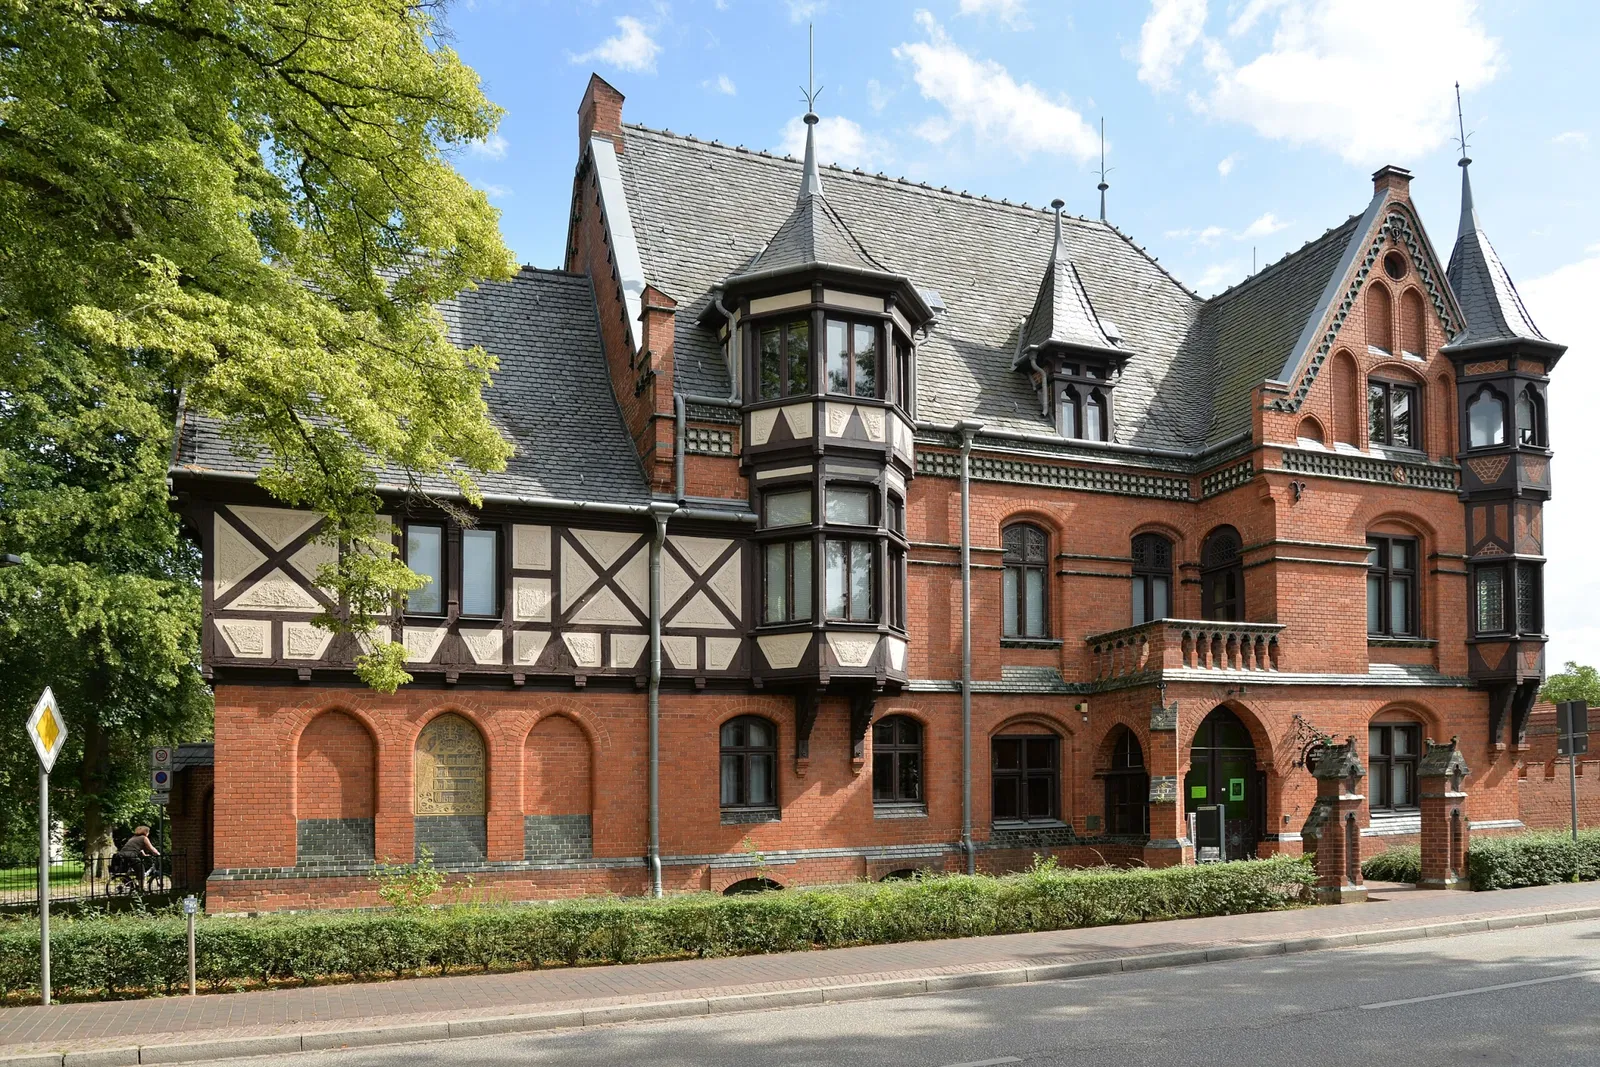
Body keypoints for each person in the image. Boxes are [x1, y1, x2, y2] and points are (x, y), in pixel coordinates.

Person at [112, 826, 162, 892]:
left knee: (134, 868)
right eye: (148, 832)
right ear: (146, 832)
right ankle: (141, 889)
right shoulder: (144, 838)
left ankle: (127, 881)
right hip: (130, 855)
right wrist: (158, 854)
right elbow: (151, 848)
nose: (149, 833)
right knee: (141, 868)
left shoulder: (133, 838)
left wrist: (144, 855)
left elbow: (139, 847)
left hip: (122, 855)